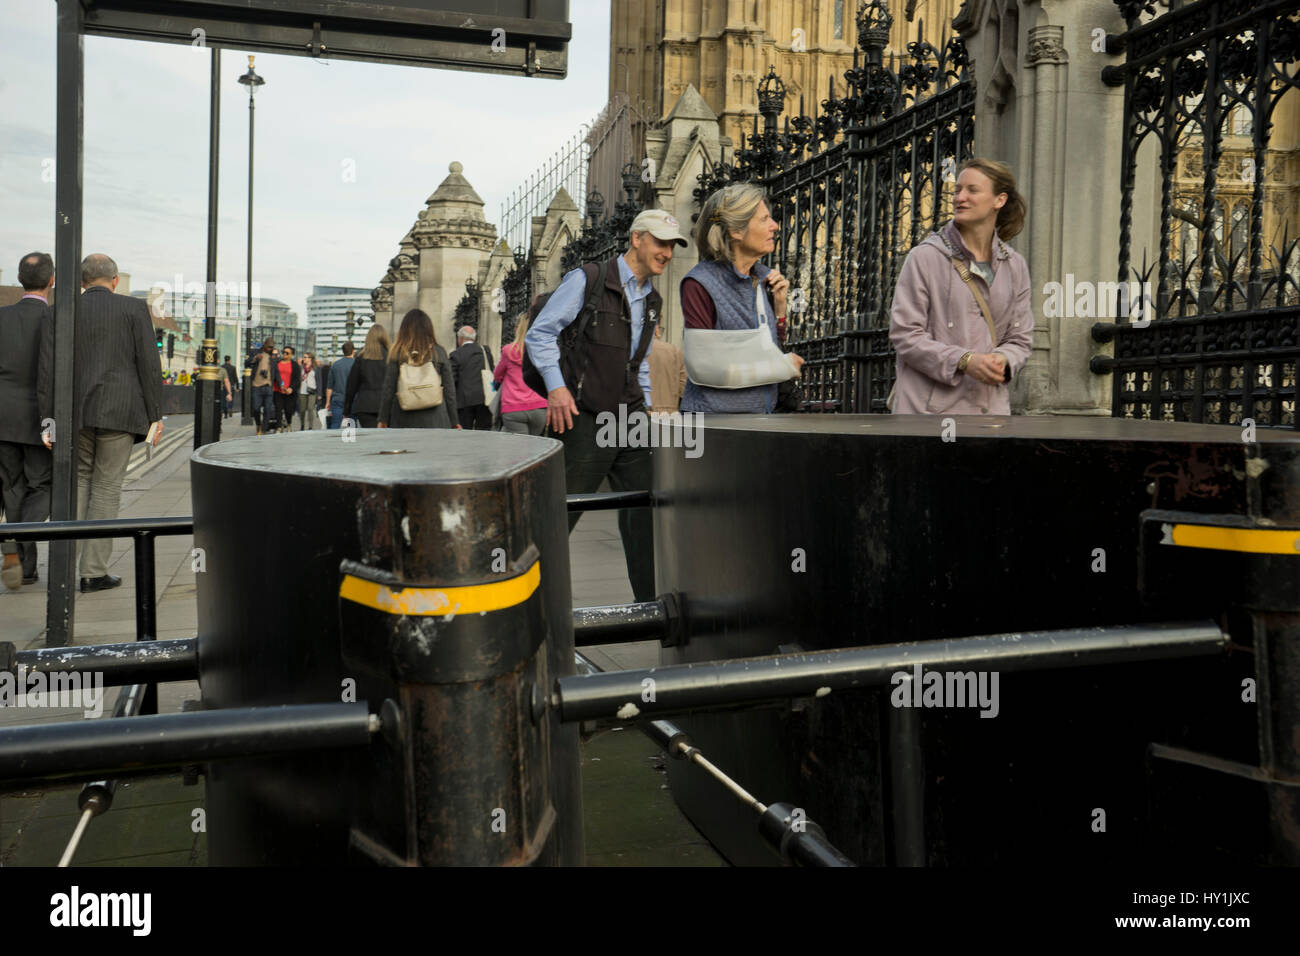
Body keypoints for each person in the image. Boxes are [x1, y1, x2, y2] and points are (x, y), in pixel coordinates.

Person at [525, 208, 689, 603]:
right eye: (660, 242)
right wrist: (557, 389)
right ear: (637, 238)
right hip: (582, 416)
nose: (666, 253)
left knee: (645, 509)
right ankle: (526, 601)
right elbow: (540, 334)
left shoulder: (652, 299)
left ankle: (651, 606)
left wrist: (647, 410)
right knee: (559, 512)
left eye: (672, 245)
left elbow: (641, 363)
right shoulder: (589, 279)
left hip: (629, 418)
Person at [38, 254, 162, 592]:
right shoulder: (134, 310)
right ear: (115, 280)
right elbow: (149, 365)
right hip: (122, 410)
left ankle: (63, 569)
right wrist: (155, 416)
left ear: (81, 281)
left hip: (74, 413)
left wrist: (48, 418)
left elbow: (48, 370)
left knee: (78, 482)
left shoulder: (60, 311)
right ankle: (93, 572)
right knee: (107, 486)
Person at [888, 158, 1033, 415]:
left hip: (989, 415)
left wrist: (1003, 360)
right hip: (927, 417)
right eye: (957, 190)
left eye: (972, 190)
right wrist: (964, 361)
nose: (959, 198)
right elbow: (904, 335)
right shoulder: (925, 257)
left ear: (999, 200)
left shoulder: (1015, 265)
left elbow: (1020, 339)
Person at [681, 182, 803, 414]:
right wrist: (781, 367)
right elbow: (702, 368)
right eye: (764, 219)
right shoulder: (698, 284)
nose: (775, 226)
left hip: (761, 421)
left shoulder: (765, 280)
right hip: (714, 427)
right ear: (737, 231)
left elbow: (768, 348)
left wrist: (780, 311)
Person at [0, 252, 55, 589]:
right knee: (44, 486)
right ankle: (20, 549)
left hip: (3, 416)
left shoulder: (2, 317)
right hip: (40, 417)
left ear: (21, 279)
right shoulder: (55, 319)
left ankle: (23, 561)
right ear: (51, 281)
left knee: (12, 486)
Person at [377, 309, 458, 430]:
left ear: (404, 329)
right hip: (436, 418)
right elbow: (449, 390)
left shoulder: (397, 353)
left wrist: (383, 419)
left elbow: (388, 390)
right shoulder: (438, 352)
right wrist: (454, 420)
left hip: (403, 419)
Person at [493, 312, 548, 435]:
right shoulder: (542, 351)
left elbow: (497, 375)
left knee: (519, 450)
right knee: (535, 449)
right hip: (539, 406)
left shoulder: (508, 351)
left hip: (513, 407)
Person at [345, 325, 390, 429]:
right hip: (386, 406)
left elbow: (351, 385)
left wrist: (346, 410)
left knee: (371, 439)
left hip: (365, 405)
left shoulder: (361, 357)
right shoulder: (390, 356)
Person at [449, 324, 494, 430]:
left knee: (464, 436)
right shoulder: (485, 351)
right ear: (474, 338)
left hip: (464, 401)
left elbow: (452, 379)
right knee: (484, 434)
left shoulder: (456, 354)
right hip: (485, 398)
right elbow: (491, 370)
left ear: (460, 339)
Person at [647, 323, 686, 414]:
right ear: (656, 329)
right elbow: (683, 388)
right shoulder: (675, 351)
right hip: (669, 414)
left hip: (637, 415)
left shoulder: (630, 352)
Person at [248, 339, 278, 434]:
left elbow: (276, 372)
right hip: (256, 386)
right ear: (264, 345)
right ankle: (258, 424)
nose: (270, 349)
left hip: (268, 386)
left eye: (272, 347)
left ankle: (263, 430)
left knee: (268, 409)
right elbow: (247, 363)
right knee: (256, 408)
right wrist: (255, 358)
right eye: (269, 347)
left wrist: (281, 384)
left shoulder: (273, 356)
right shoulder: (255, 352)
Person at [326, 341, 355, 429]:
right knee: (352, 425)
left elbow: (329, 386)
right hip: (353, 400)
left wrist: (327, 402)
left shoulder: (335, 365)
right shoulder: (357, 364)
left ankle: (334, 442)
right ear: (353, 351)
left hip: (338, 399)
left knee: (335, 424)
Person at [274, 345, 301, 432]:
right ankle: (278, 427)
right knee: (278, 409)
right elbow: (273, 375)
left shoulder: (295, 365)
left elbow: (297, 379)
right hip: (278, 390)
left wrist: (291, 388)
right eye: (283, 352)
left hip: (289, 392)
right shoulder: (277, 363)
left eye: (287, 353)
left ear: (291, 355)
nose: (284, 354)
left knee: (288, 410)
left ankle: (289, 424)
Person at [297, 352, 319, 430]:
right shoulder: (301, 368)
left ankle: (310, 426)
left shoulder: (315, 368)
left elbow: (319, 381)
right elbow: (297, 379)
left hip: (312, 391)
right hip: (302, 391)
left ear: (310, 359)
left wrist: (319, 393)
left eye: (305, 357)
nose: (304, 358)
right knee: (302, 410)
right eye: (304, 357)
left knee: (310, 408)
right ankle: (302, 425)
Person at [222, 354, 238, 419]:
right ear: (229, 360)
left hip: (223, 385)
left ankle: (225, 413)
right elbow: (235, 377)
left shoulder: (222, 367)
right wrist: (237, 387)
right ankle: (230, 408)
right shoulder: (233, 368)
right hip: (231, 385)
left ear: (224, 359)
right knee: (230, 398)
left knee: (224, 399)